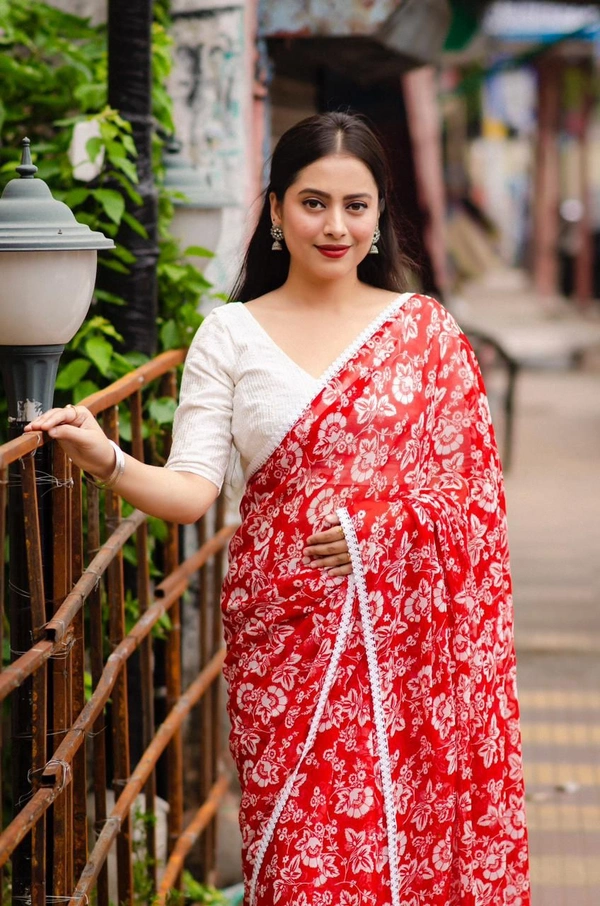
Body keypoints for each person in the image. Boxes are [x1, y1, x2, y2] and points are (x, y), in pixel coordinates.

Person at [26, 112, 530, 906]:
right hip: (283, 650)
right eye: (314, 202)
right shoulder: (230, 335)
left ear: (379, 216)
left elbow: (473, 500)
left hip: (409, 664)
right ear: (274, 210)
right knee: (300, 872)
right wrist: (109, 460)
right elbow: (193, 493)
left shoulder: (425, 334)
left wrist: (383, 530)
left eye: (356, 206)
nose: (335, 226)